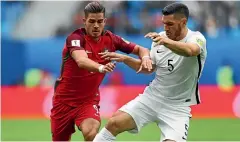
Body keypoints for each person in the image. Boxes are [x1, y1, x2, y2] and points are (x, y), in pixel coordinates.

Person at [93, 2, 207, 142]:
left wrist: (165, 42)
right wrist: (125, 59)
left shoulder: (196, 38)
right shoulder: (160, 38)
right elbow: (149, 68)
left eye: (170, 24)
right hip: (152, 98)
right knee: (114, 123)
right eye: (164, 23)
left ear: (183, 22)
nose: (165, 28)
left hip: (177, 107)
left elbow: (191, 51)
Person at [50, 1, 152, 141]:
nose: (96, 25)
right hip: (63, 101)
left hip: (88, 100)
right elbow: (81, 61)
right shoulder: (75, 38)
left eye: (99, 21)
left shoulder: (111, 39)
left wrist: (145, 57)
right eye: (92, 21)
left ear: (105, 21)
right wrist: (101, 67)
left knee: (91, 132)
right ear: (84, 21)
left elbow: (141, 49)